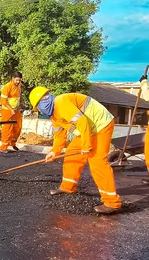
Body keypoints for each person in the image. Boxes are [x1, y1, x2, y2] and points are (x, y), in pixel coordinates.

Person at [29, 86, 122, 215]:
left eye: (38, 106)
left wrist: (86, 146)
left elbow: (83, 122)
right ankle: (68, 187)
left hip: (100, 125)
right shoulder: (54, 115)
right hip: (87, 130)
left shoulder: (61, 103)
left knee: (97, 162)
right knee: (71, 154)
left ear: (45, 98)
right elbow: (60, 135)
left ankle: (112, 202)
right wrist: (54, 152)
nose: (39, 109)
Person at [0, 72, 24, 153]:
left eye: (19, 80)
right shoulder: (7, 87)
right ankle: (3, 147)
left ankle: (12, 143)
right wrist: (11, 109)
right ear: (13, 78)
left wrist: (21, 104)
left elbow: (19, 96)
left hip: (16, 110)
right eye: (16, 80)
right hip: (7, 111)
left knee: (18, 126)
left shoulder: (19, 85)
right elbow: (3, 100)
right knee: (7, 128)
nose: (18, 82)